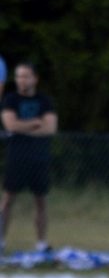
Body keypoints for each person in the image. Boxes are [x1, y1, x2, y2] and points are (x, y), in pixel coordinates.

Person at [0, 61, 58, 255]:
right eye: (18, 76)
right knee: (7, 200)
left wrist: (22, 127)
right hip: (16, 157)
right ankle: (1, 240)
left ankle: (41, 243)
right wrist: (34, 123)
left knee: (41, 201)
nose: (21, 80)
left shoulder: (45, 101)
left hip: (39, 158)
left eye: (25, 76)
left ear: (35, 78)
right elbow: (11, 125)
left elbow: (50, 128)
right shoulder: (10, 100)